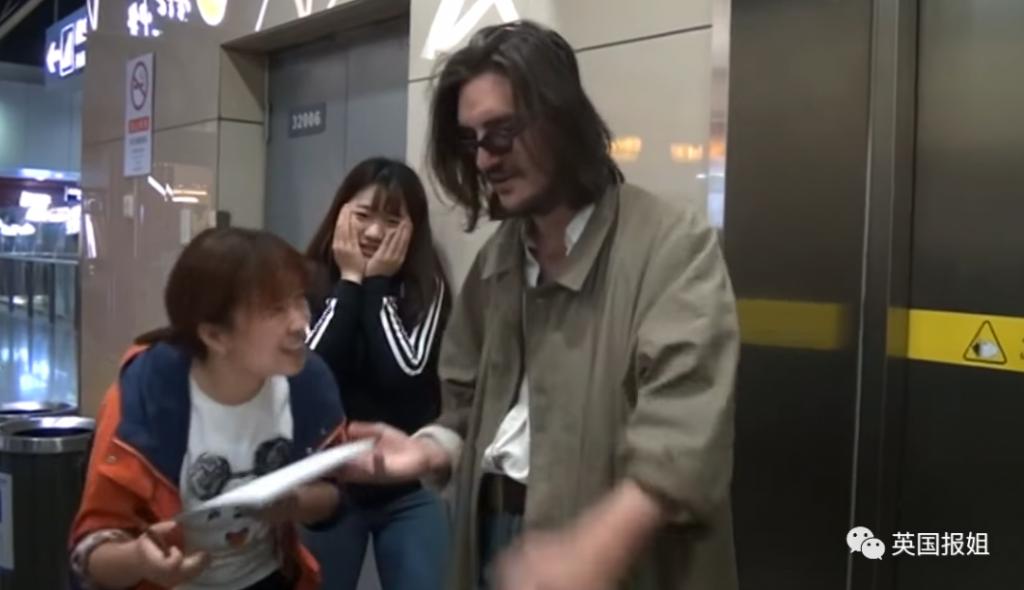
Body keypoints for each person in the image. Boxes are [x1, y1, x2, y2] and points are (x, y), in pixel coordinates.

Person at [341, 20, 741, 590]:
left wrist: (598, 544)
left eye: (502, 132)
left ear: (562, 120)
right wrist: (428, 451)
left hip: (617, 552)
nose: (485, 160)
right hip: (494, 536)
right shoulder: (498, 260)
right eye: (472, 141)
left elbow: (685, 427)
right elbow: (465, 400)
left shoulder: (670, 245)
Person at [69, 228, 348, 590]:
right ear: (215, 335)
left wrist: (295, 502)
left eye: (299, 300)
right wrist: (140, 560)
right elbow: (91, 553)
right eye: (276, 310)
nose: (300, 323)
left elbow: (333, 494)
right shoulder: (146, 393)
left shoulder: (307, 380)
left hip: (269, 577)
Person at [303, 157, 451, 590]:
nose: (373, 233)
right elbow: (309, 370)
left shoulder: (426, 285)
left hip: (406, 484)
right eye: (363, 215)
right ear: (340, 213)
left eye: (391, 221)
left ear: (413, 229)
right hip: (326, 483)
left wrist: (377, 287)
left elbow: (404, 375)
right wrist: (349, 281)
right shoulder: (306, 279)